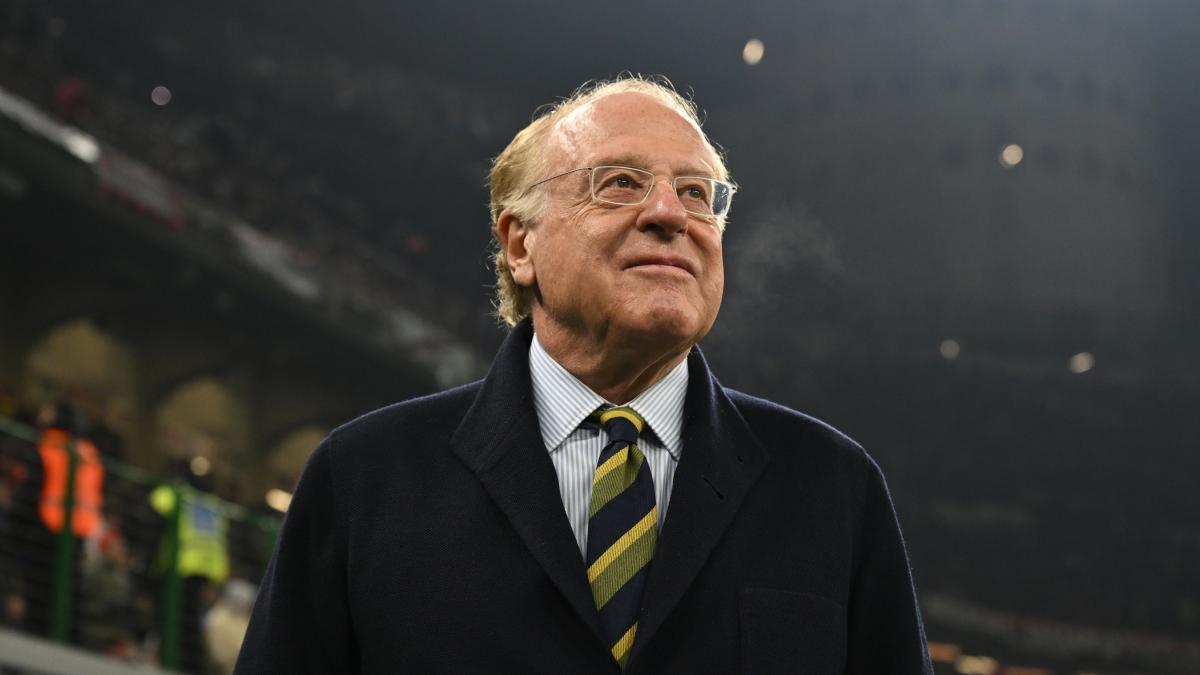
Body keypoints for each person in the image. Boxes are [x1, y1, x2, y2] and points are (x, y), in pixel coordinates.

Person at [235, 76, 931, 673]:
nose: (670, 214)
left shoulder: (834, 487)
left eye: (697, 192)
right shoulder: (363, 479)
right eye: (620, 182)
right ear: (520, 244)